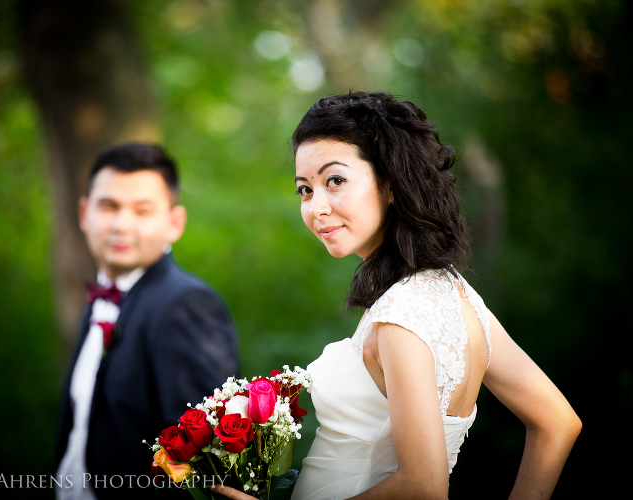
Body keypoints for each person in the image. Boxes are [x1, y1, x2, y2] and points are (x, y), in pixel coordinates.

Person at [213, 92, 580, 499]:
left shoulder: (402, 313)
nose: (316, 207)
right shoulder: (455, 293)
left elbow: (423, 486)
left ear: (390, 182)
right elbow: (558, 422)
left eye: (335, 180)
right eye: (305, 189)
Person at [55, 142, 240, 500]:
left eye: (142, 211)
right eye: (108, 207)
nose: (121, 225)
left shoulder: (187, 304)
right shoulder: (100, 299)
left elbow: (206, 458)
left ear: (175, 223)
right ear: (83, 213)